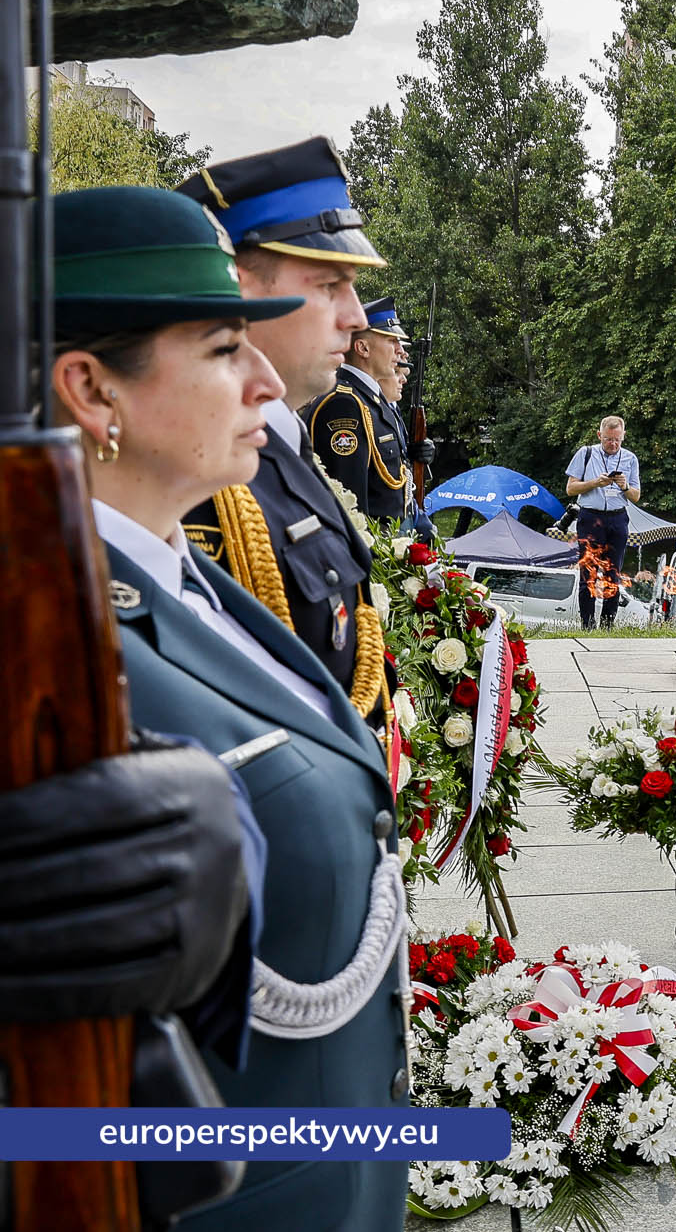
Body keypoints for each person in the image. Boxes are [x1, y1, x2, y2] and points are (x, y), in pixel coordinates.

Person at [43, 186, 408, 1229]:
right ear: (90, 389)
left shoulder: (186, 580)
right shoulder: (54, 649)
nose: (260, 378)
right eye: (217, 348)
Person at [174, 137, 390, 723]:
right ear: (240, 289)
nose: (358, 317)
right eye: (329, 286)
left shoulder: (287, 443)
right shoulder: (203, 476)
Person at [303, 296, 411, 522]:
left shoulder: (372, 399)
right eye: (392, 340)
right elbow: (349, 504)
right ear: (362, 347)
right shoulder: (344, 404)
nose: (400, 350)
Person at [565, 416, 642, 629]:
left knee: (613, 573)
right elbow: (570, 488)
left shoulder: (630, 459)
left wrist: (625, 486)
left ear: (623, 436)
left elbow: (636, 496)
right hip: (591, 517)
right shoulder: (586, 453)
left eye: (617, 440)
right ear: (600, 435)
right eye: (608, 439)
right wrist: (595, 483)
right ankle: (587, 625)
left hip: (618, 518)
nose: (613, 444)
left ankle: (608, 625)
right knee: (588, 573)